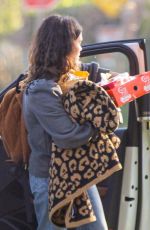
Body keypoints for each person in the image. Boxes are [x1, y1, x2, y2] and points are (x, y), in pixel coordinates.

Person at [22, 14, 110, 230]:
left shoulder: (63, 78)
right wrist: (100, 122)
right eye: (78, 42)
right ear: (65, 46)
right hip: (50, 180)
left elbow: (85, 71)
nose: (81, 47)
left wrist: (114, 79)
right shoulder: (41, 90)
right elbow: (69, 136)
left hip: (77, 172)